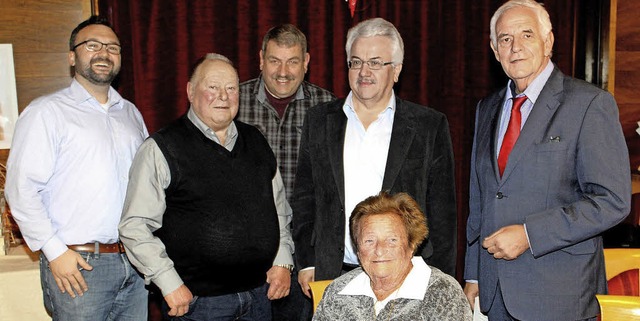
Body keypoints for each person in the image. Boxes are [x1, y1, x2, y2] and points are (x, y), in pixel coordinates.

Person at [463, 1, 631, 320]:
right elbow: (481, 200)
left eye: (527, 34)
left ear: (548, 42)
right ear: (494, 49)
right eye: (505, 38)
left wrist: (530, 234)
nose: (515, 47)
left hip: (561, 296)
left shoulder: (589, 104)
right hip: (494, 294)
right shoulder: (486, 109)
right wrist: (473, 274)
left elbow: (613, 201)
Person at [118, 53, 295, 320]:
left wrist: (282, 259)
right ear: (191, 90)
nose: (223, 96)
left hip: (260, 297)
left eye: (231, 88)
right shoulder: (162, 148)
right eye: (213, 87)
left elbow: (278, 208)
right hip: (197, 305)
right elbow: (134, 225)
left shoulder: (256, 140)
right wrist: (168, 281)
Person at [292, 17, 457, 299]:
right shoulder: (319, 121)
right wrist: (307, 261)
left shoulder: (429, 126)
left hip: (407, 277)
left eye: (376, 62)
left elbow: (443, 213)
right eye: (356, 62)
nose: (364, 72)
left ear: (397, 70)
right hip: (334, 275)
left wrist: (439, 280)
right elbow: (305, 198)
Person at [4, 16, 149, 320]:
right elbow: (20, 189)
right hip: (79, 266)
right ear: (72, 56)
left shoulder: (131, 114)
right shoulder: (47, 112)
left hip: (135, 262)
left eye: (113, 48)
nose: (104, 53)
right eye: (92, 45)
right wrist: (55, 252)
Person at [237, 23, 336, 321]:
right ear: (260, 59)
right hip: (245, 248)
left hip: (307, 250)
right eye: (274, 60)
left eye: (292, 61)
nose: (283, 71)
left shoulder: (328, 107)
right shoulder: (233, 103)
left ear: (306, 62)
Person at [313, 192, 472, 321]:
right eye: (369, 240)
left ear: (411, 245)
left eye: (392, 240)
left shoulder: (443, 293)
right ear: (358, 249)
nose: (380, 250)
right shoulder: (339, 290)